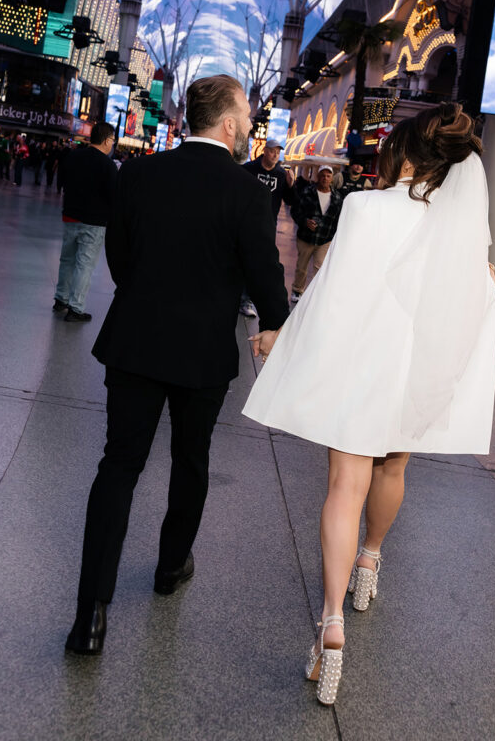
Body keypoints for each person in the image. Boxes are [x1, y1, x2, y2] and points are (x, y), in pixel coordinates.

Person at [243, 103, 495, 706]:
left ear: (405, 154)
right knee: (395, 467)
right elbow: (474, 301)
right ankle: (371, 561)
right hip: (414, 374)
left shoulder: (364, 207)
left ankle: (330, 626)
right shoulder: (459, 225)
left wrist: (286, 341)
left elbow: (331, 296)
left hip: (360, 368)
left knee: (343, 488)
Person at [65, 75, 288, 656]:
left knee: (118, 465)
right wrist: (273, 321)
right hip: (203, 353)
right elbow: (265, 274)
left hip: (135, 341)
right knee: (191, 460)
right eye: (246, 115)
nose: (248, 125)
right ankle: (169, 568)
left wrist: (144, 296)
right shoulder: (247, 194)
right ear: (230, 123)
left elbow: (119, 253)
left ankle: (89, 616)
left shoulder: (138, 174)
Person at [53, 123, 117, 323]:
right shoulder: (108, 165)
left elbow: (61, 180)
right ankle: (76, 308)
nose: (113, 144)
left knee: (67, 260)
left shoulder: (73, 156)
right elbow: (113, 195)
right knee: (84, 265)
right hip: (95, 222)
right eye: (113, 140)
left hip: (70, 216)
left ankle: (60, 300)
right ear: (106, 140)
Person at [239, 137, 296, 317]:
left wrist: (291, 185)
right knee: (238, 258)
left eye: (278, 152)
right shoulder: (249, 169)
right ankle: (234, 294)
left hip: (267, 226)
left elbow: (292, 201)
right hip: (245, 222)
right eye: (272, 151)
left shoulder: (281, 175)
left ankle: (246, 299)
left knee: (256, 263)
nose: (274, 155)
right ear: (264, 150)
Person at [290, 164, 342, 302]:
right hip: (306, 237)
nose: (325, 178)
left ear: (332, 178)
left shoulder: (337, 197)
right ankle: (297, 290)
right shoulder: (307, 192)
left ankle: (312, 294)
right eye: (322, 175)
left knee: (319, 268)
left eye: (328, 175)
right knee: (302, 267)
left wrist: (335, 235)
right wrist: (305, 221)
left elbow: (339, 218)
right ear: (318, 177)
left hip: (325, 238)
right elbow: (295, 211)